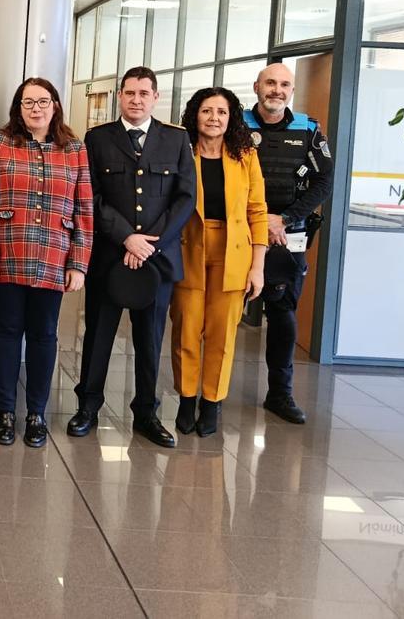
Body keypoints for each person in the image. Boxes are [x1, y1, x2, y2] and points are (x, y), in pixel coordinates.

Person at [68, 67, 195, 448]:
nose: (136, 100)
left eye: (144, 93)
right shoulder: (98, 138)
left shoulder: (176, 139)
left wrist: (149, 243)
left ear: (156, 97)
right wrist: (127, 238)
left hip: (157, 260)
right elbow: (90, 196)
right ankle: (87, 407)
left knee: (149, 340)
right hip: (110, 257)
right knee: (99, 336)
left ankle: (146, 413)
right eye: (129, 93)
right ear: (119, 97)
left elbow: (185, 198)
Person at [0, 78, 93, 447]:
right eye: (28, 103)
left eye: (43, 102)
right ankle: (6, 412)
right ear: (18, 107)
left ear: (55, 106)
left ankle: (37, 414)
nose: (36, 109)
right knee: (7, 332)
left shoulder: (73, 149)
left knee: (44, 335)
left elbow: (85, 208)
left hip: (54, 257)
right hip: (8, 253)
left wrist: (79, 263)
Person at [171, 87, 268, 437]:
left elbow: (257, 211)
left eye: (222, 112)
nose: (214, 118)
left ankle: (212, 402)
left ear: (231, 118)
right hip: (188, 249)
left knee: (221, 333)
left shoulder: (245, 156)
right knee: (187, 328)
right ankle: (186, 398)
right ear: (195, 115)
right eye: (207, 111)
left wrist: (257, 266)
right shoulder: (182, 151)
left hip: (233, 252)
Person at [242, 62, 334, 425]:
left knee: (282, 314)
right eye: (270, 83)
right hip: (242, 233)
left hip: (287, 235)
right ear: (257, 87)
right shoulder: (236, 126)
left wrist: (286, 218)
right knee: (223, 313)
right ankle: (208, 393)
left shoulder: (308, 129)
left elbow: (324, 182)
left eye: (284, 84)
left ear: (291, 91)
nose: (276, 90)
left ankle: (280, 393)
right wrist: (257, 221)